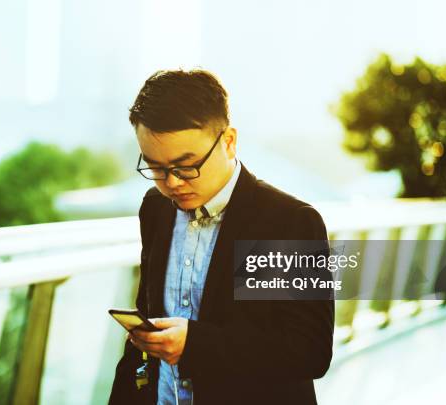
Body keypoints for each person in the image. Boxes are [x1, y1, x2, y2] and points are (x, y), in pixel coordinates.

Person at [109, 69, 334, 405]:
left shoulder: (288, 223)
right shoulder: (156, 208)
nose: (171, 183)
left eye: (186, 165)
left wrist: (195, 344)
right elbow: (148, 319)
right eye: (155, 167)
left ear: (228, 141)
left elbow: (308, 351)